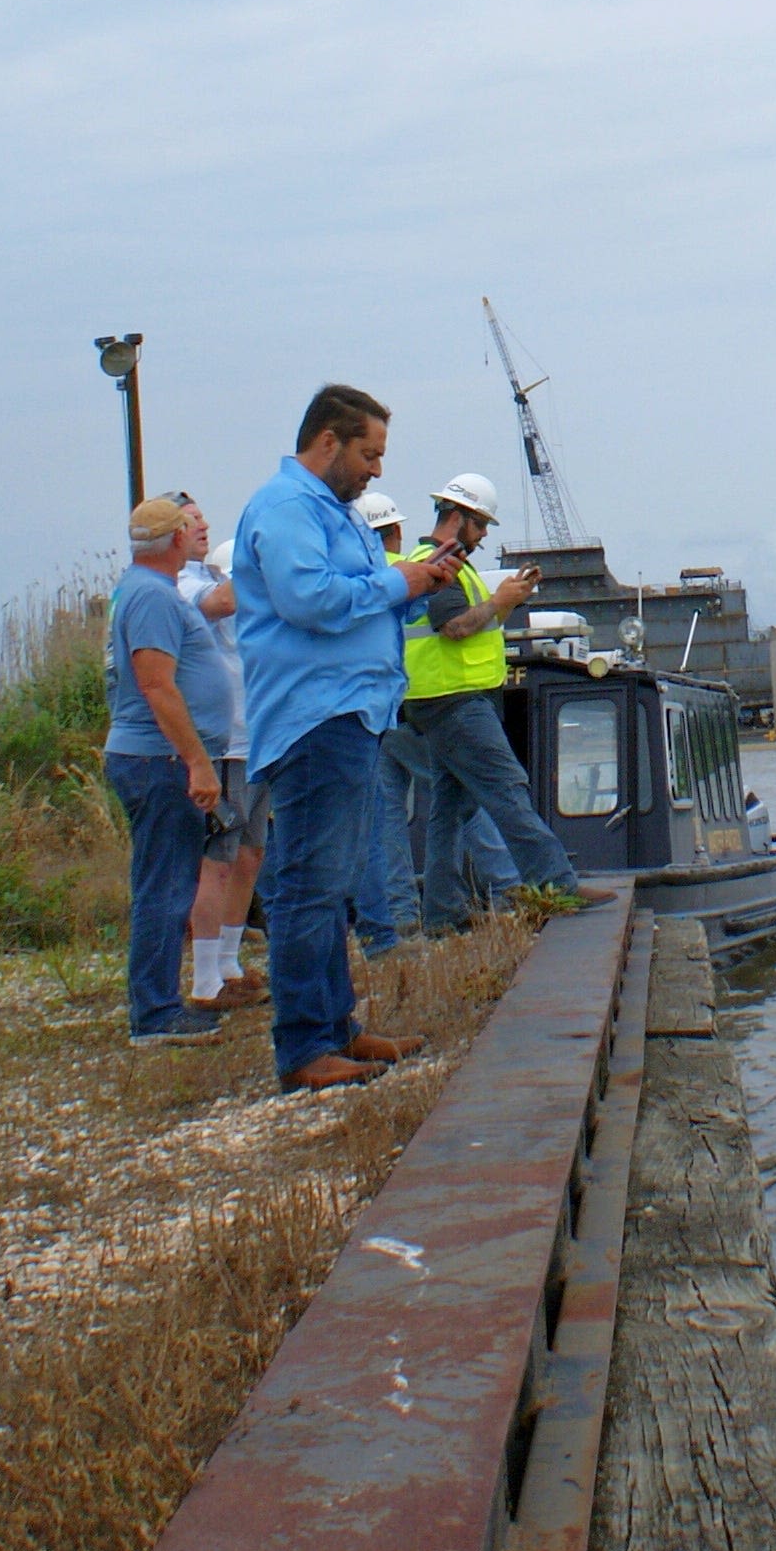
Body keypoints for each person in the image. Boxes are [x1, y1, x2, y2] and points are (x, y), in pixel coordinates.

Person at [234, 388, 458, 1091]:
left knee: (330, 887)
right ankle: (304, 1049)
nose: (376, 470)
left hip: (351, 715)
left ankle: (336, 1029)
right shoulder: (285, 510)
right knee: (308, 885)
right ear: (327, 442)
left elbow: (362, 596)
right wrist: (399, 585)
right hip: (315, 719)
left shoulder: (336, 514)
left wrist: (419, 582)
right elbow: (312, 602)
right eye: (369, 454)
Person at [393, 474, 584, 928]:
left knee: (449, 809)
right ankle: (557, 883)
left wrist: (504, 601)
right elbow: (454, 626)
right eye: (479, 526)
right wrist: (501, 601)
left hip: (440, 702)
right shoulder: (442, 565)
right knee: (508, 788)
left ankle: (441, 915)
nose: (481, 537)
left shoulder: (441, 563)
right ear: (457, 517)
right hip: (455, 702)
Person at [104, 492, 238, 1045]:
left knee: (166, 882)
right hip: (159, 762)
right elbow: (157, 685)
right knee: (165, 887)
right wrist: (197, 762)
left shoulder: (145, 590)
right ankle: (155, 1014)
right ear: (178, 539)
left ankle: (158, 1004)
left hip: (157, 759)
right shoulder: (154, 598)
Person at [168, 504, 268, 1015]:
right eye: (190, 520)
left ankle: (228, 962)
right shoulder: (181, 586)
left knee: (249, 855)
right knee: (218, 861)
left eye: (205, 517)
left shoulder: (209, 576)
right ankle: (205, 978)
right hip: (222, 744)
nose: (203, 526)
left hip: (253, 738)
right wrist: (272, 555)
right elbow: (225, 601)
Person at [345, 490, 422, 954]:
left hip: (379, 713)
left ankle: (391, 919)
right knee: (458, 796)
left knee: (382, 818)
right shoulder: (391, 576)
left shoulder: (361, 577)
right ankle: (382, 931)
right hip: (394, 710)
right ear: (392, 531)